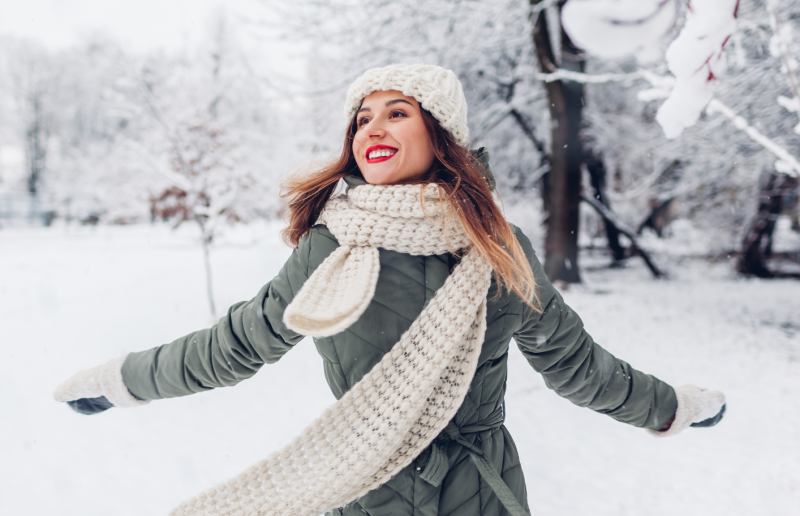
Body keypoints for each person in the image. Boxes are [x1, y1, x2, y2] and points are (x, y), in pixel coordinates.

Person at [54, 64, 726, 516]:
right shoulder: (334, 245)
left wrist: (671, 407)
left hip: (480, 493)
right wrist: (121, 381)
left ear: (440, 132)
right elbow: (235, 346)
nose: (372, 128)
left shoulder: (499, 249)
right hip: (362, 485)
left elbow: (577, 365)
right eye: (362, 118)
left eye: (397, 112)